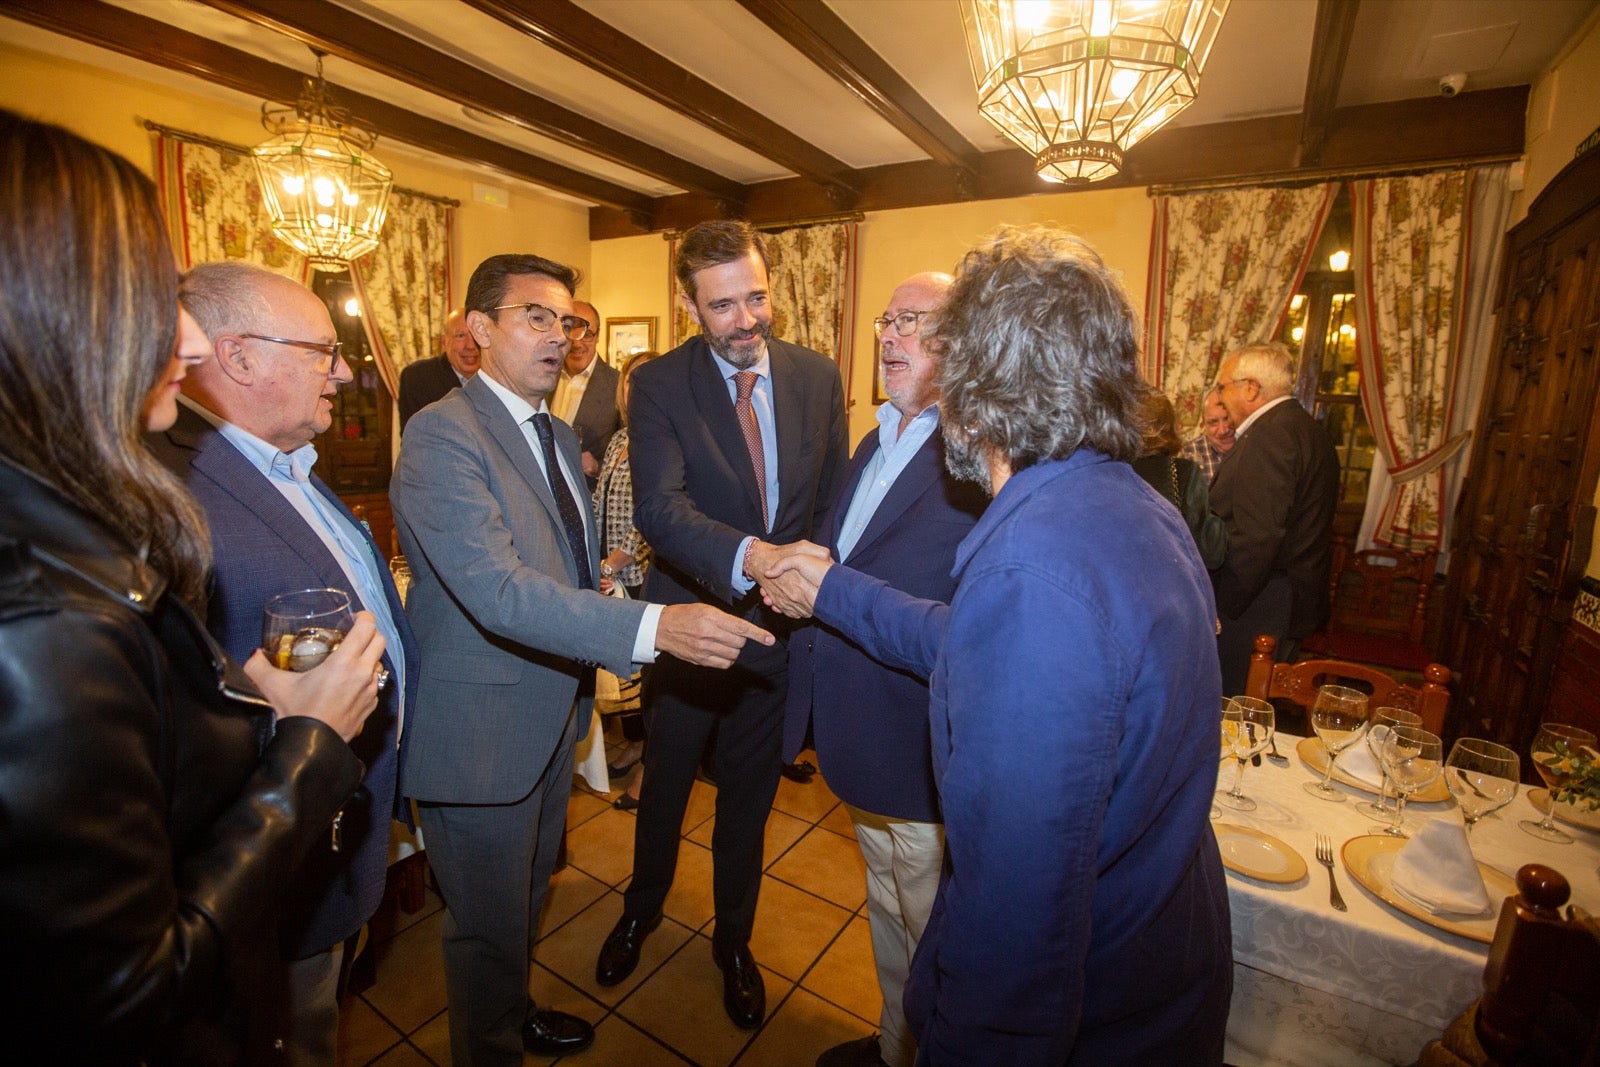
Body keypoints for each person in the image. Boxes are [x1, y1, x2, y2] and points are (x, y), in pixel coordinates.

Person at [766, 226, 1231, 1064]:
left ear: (975, 383)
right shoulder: (1125, 504)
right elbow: (981, 647)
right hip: (1156, 968)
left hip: (1090, 1012)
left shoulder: (1035, 564)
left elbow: (1016, 910)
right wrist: (833, 587)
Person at [0, 109, 383, 1065]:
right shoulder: (44, 611)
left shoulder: (61, 517)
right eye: (145, 290)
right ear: (51, 311)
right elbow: (130, 990)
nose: (190, 338)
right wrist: (308, 741)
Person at [390, 252, 773, 1067]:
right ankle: (488, 1044)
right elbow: (497, 589)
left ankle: (511, 1011)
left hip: (546, 716)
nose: (558, 336)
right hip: (481, 728)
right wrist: (652, 627)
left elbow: (560, 560)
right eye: (535, 316)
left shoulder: (557, 432)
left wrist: (598, 573)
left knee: (524, 904)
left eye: (565, 321)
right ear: (479, 330)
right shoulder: (439, 435)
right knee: (485, 929)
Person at [146, 260, 417, 1067]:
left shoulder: (284, 457)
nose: (344, 370)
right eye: (322, 351)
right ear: (238, 357)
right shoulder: (171, 487)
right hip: (263, 865)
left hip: (330, 828)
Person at [595, 220, 848, 1030]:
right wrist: (759, 558)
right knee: (663, 788)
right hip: (692, 625)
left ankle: (733, 943)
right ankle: (641, 909)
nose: (746, 321)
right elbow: (662, 511)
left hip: (778, 639)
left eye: (757, 297)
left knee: (748, 802)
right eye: (723, 305)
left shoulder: (817, 374)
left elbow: (833, 500)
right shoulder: (664, 385)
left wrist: (811, 578)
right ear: (689, 306)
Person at [787, 272, 986, 1067]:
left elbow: (972, 626)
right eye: (886, 319)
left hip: (920, 742)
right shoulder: (875, 437)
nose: (890, 335)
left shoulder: (976, 454)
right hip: (859, 736)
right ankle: (893, 1044)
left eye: (915, 321)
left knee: (939, 934)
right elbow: (851, 559)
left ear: (962, 343)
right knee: (887, 908)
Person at [1209, 341, 1340, 694]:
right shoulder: (1305, 428)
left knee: (1237, 712)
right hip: (1282, 599)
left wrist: (1219, 608)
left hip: (1260, 604)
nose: (1220, 397)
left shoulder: (1270, 435)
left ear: (1250, 387)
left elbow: (1258, 536)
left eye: (1223, 387)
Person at [591, 348, 661, 810]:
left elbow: (654, 515)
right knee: (623, 672)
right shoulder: (619, 439)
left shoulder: (662, 438)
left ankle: (650, 767)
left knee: (651, 680)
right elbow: (599, 501)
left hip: (639, 572)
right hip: (607, 571)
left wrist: (616, 561)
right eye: (631, 380)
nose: (637, 388)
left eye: (647, 380)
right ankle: (635, 744)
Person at [1131, 391, 1229, 571]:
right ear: (1170, 426)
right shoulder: (1183, 473)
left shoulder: (1104, 472)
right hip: (1170, 589)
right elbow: (1211, 553)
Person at [551, 297, 621, 489]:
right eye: (570, 332)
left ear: (598, 336)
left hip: (587, 499)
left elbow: (631, 458)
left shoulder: (617, 385)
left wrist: (597, 467)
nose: (577, 343)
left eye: (587, 334)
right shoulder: (541, 377)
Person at [397, 308, 478, 432]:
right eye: (460, 336)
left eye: (476, 335)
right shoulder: (418, 377)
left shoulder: (499, 377)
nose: (471, 346)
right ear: (444, 341)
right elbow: (414, 437)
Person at [1181, 386, 1235, 483]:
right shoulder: (1187, 454)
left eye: (1227, 419)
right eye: (1213, 422)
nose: (1223, 431)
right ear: (1203, 423)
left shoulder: (1254, 448)